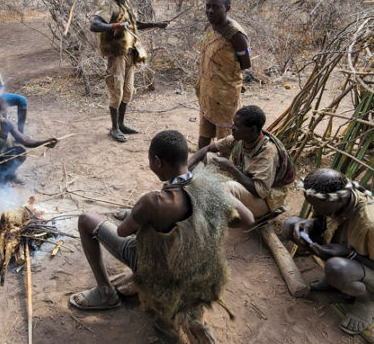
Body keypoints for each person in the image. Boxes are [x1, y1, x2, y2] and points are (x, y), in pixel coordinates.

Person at [69, 130, 254, 342]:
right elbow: (247, 218)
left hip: (159, 271)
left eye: (150, 161)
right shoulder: (213, 187)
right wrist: (206, 226)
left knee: (86, 220)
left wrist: (136, 215)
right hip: (200, 269)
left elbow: (123, 231)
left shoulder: (154, 202)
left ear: (157, 162)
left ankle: (105, 292)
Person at [280, 168, 374, 338]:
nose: (314, 208)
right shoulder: (338, 198)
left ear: (338, 200)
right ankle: (335, 279)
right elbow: (324, 218)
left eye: (317, 205)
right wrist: (311, 223)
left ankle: (368, 300)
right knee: (291, 225)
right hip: (347, 252)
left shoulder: (373, 224)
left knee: (336, 267)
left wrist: (349, 255)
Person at [90, 0, 168, 142]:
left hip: (130, 53)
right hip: (116, 55)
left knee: (128, 91)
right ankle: (114, 128)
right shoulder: (108, 4)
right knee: (116, 90)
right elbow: (95, 25)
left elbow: (134, 26)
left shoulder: (124, 4)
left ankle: (122, 124)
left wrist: (155, 24)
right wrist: (115, 25)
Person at [188, 105, 294, 218]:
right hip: (245, 181)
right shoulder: (239, 138)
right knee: (207, 157)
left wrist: (231, 168)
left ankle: (210, 217)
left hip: (265, 201)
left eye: (237, 126)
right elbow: (207, 149)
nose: (232, 128)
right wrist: (185, 168)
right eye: (234, 124)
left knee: (228, 187)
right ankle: (192, 193)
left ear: (252, 130)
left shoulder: (267, 153)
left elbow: (260, 191)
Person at [195, 0, 251, 150]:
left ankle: (225, 170)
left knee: (226, 140)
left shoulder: (235, 34)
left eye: (216, 7)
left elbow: (245, 63)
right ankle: (200, 163)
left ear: (227, 8)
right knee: (204, 133)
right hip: (208, 92)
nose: (210, 11)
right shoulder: (211, 27)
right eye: (208, 6)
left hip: (225, 96)